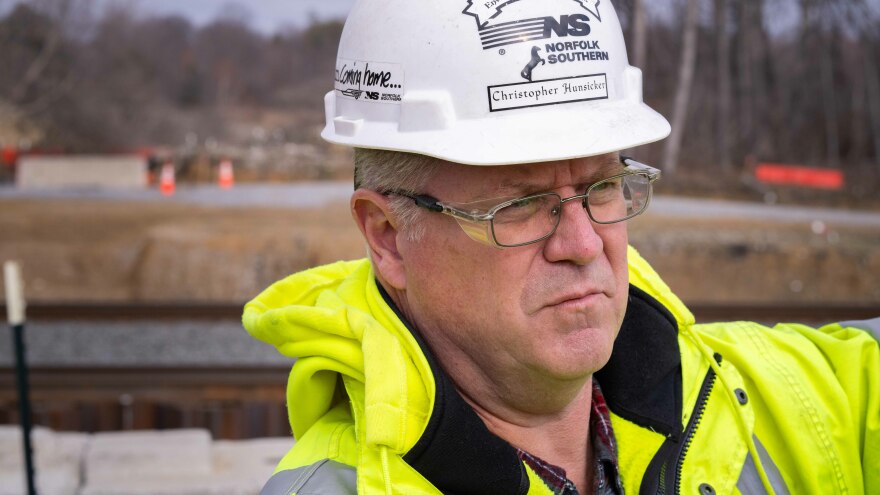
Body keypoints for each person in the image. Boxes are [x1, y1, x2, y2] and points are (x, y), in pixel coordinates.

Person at [243, 1, 880, 493]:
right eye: (518, 205)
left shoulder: (777, 401)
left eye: (602, 187)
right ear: (389, 239)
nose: (582, 244)